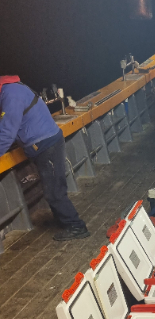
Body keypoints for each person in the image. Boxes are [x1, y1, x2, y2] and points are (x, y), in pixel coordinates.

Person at [0, 76, 89, 241]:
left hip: (46, 146)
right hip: (45, 143)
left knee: (55, 192)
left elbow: (6, 133)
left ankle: (76, 226)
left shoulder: (11, 95)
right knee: (52, 189)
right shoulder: (12, 88)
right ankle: (63, 221)